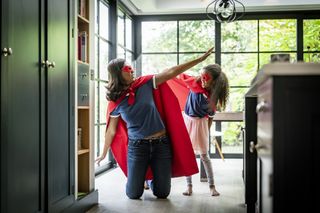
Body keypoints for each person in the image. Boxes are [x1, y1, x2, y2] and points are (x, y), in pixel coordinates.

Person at [95, 47, 214, 199]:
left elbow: (171, 72)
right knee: (133, 194)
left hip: (161, 145)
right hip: (137, 147)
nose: (132, 71)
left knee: (162, 193)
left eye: (132, 68)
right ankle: (141, 178)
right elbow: (111, 131)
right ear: (118, 73)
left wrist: (199, 60)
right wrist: (104, 153)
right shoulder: (116, 101)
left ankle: (150, 179)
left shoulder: (145, 84)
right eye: (128, 68)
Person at [168, 64, 229, 196]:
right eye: (201, 76)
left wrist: (206, 130)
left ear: (214, 82)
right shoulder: (195, 83)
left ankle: (212, 186)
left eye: (205, 78)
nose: (202, 80)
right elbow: (180, 76)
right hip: (187, 120)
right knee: (186, 154)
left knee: (204, 155)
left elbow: (211, 116)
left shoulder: (212, 97)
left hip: (201, 124)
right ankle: (189, 186)